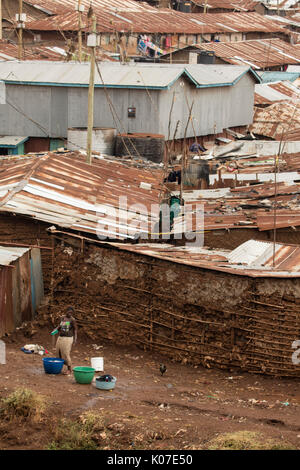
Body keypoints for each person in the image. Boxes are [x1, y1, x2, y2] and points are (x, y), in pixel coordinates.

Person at [55, 306, 78, 375]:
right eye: (69, 312)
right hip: (60, 337)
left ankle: (69, 369)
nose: (70, 314)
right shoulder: (62, 318)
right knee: (58, 352)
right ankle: (59, 367)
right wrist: (55, 330)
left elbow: (75, 330)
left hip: (68, 338)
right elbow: (60, 326)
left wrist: (75, 339)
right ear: (66, 311)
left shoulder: (72, 320)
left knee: (66, 353)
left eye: (71, 312)